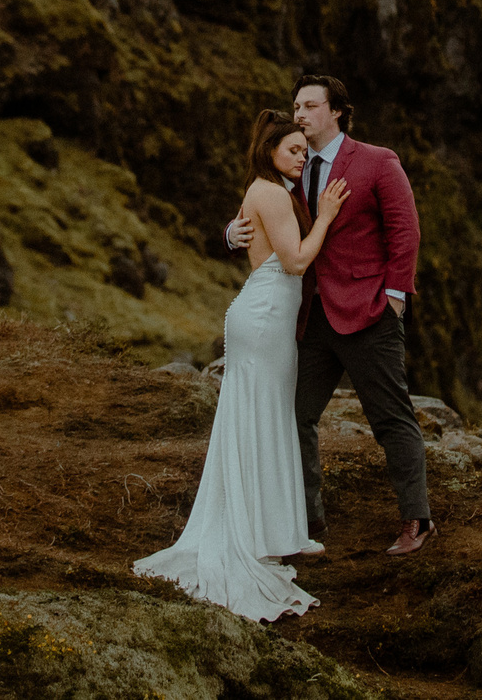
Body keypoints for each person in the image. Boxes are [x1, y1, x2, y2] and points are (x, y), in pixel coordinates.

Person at [133, 109, 347, 620]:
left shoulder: (265, 190)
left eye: (304, 150)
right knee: (262, 417)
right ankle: (256, 534)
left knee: (263, 417)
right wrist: (325, 217)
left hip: (266, 313)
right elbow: (295, 261)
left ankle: (269, 530)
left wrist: (234, 233)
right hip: (267, 314)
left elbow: (253, 241)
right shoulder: (272, 192)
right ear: (270, 149)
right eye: (293, 150)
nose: (301, 158)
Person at [233, 72, 434, 555]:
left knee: (390, 418)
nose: (299, 114)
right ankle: (308, 519)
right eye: (296, 106)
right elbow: (262, 206)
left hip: (370, 314)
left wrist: (394, 298)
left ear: (336, 111)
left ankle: (417, 520)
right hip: (310, 317)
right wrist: (230, 233)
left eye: (309, 106)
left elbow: (405, 233)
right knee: (294, 416)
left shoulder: (377, 161)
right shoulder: (291, 167)